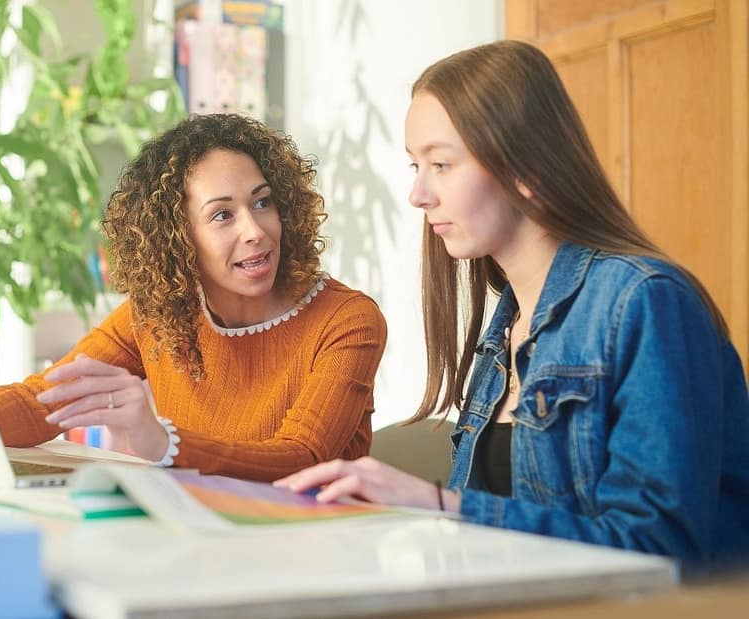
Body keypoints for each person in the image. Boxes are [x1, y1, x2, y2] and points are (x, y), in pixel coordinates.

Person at [275, 40, 749, 572]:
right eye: (415, 165)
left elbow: (660, 548)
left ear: (527, 166)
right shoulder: (503, 328)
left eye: (441, 164)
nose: (418, 195)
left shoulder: (645, 301)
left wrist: (439, 505)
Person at [0, 113, 387, 482]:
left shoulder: (346, 320)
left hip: (319, 550)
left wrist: (163, 442)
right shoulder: (159, 316)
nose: (255, 231)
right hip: (201, 544)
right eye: (222, 215)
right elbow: (42, 404)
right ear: (177, 239)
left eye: (262, 202)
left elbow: (302, 460)